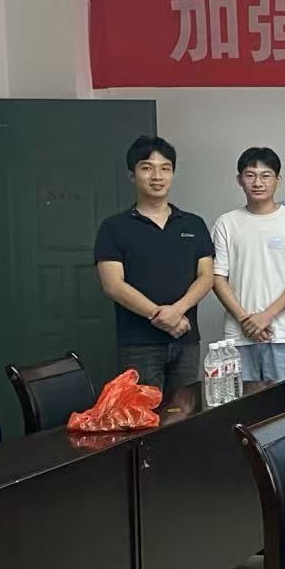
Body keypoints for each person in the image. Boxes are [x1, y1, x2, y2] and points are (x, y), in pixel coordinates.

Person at [94, 135, 213, 412]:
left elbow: (206, 276)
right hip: (139, 343)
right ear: (132, 175)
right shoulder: (114, 227)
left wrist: (177, 312)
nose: (157, 176)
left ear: (172, 174)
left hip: (186, 339)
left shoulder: (193, 224)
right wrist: (161, 317)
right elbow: (113, 285)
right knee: (142, 418)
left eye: (165, 168)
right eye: (147, 168)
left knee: (185, 415)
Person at [211, 147, 285, 406]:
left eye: (266, 175)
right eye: (250, 175)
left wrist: (265, 316)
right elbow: (218, 278)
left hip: (284, 334)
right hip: (239, 337)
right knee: (242, 412)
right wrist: (246, 320)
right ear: (239, 179)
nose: (258, 182)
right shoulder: (226, 223)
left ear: (278, 180)